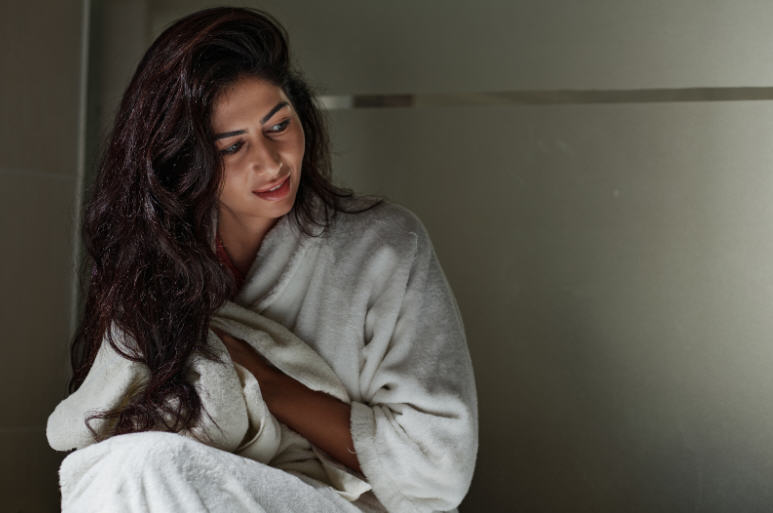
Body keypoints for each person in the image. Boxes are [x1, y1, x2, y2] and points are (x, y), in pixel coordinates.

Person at [47, 7, 477, 513]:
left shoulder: (384, 246)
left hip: (346, 504)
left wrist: (261, 378)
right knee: (123, 468)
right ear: (183, 159)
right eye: (233, 147)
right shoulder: (155, 262)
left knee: (142, 467)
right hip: (188, 495)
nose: (271, 162)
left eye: (278, 125)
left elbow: (437, 469)